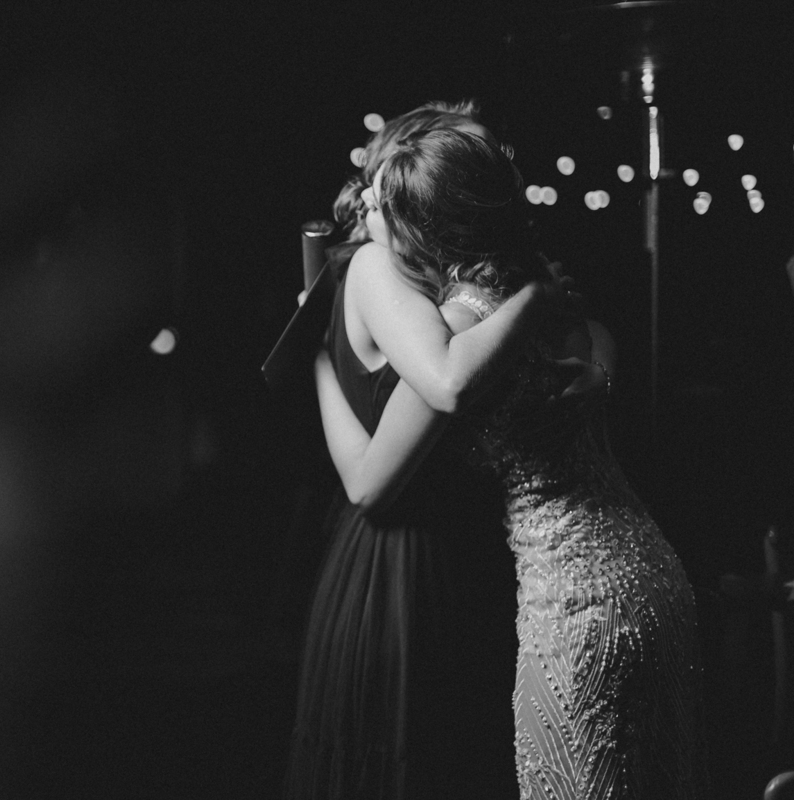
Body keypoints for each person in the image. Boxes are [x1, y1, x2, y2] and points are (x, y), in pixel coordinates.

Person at [316, 128, 706, 798]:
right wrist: (600, 368)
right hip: (652, 571)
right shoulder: (547, 293)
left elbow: (371, 481)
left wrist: (320, 362)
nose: (367, 217)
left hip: (575, 606)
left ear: (420, 232)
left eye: (381, 207)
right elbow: (598, 337)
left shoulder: (462, 328)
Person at [285, 102, 564, 800]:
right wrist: (536, 294)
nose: (368, 201)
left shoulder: (410, 280)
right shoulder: (377, 267)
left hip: (423, 543)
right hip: (406, 561)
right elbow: (442, 385)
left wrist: (316, 361)